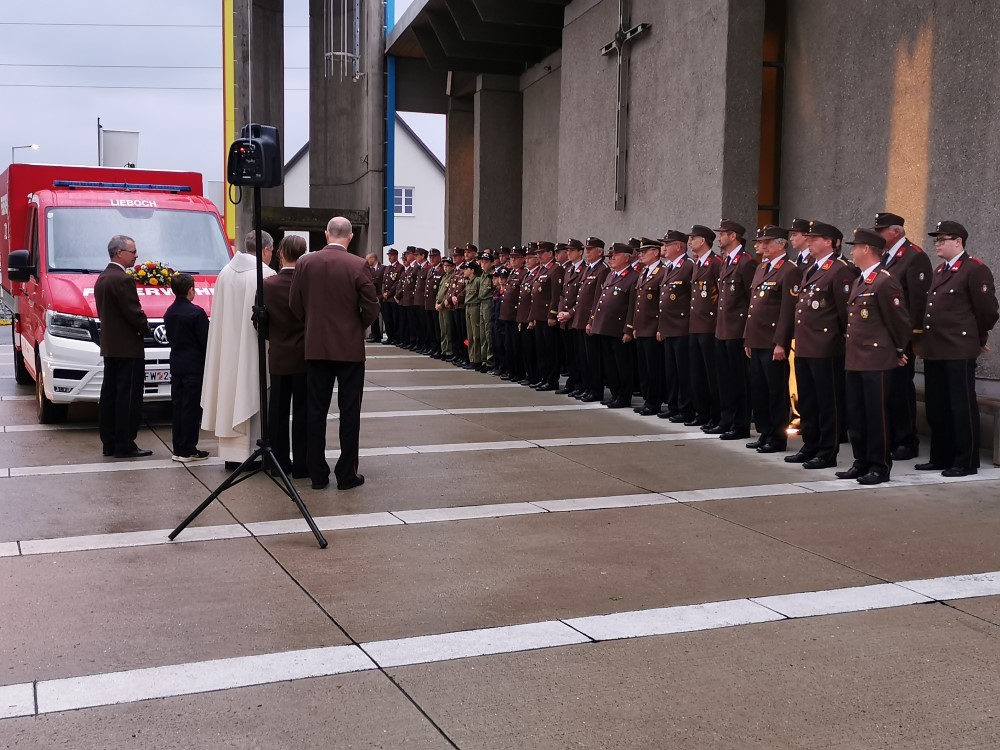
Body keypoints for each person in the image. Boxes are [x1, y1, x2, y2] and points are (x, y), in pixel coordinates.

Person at [289, 216, 380, 490]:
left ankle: (317, 473)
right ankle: (346, 474)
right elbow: (372, 306)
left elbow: (295, 303)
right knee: (349, 411)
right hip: (349, 350)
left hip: (316, 346)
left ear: (326, 233)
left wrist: (312, 324)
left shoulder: (306, 263)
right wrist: (356, 326)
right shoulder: (358, 264)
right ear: (350, 237)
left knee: (315, 410)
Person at [918, 220, 999, 477]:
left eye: (942, 239)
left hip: (958, 349)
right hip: (934, 349)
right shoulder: (940, 270)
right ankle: (941, 456)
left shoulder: (974, 269)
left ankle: (966, 461)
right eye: (936, 240)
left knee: (960, 406)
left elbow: (988, 311)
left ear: (958, 241)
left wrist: (978, 337)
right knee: (937, 406)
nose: (937, 244)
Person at [836, 228, 911, 485]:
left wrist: (898, 350)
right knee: (856, 414)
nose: (852, 251)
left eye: (855, 247)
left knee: (876, 415)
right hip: (856, 357)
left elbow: (899, 322)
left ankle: (879, 466)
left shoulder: (884, 281)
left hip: (876, 359)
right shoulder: (861, 280)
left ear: (866, 249)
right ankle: (861, 462)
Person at [201, 230, 276, 470]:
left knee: (230, 392)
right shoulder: (266, 275)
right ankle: (254, 453)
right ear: (266, 250)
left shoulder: (225, 272)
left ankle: (232, 455)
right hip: (253, 346)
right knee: (252, 391)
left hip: (228, 347)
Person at [785, 221, 855, 470]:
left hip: (826, 347)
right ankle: (810, 444)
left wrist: (841, 342)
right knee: (808, 400)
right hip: (805, 345)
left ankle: (827, 451)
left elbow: (845, 313)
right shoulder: (811, 269)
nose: (809, 242)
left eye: (814, 238)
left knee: (828, 403)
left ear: (829, 242)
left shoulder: (839, 270)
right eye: (809, 238)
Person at [872, 212, 932, 460]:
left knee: (900, 389)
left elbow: (917, 302)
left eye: (881, 230)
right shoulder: (884, 256)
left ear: (896, 231)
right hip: (883, 336)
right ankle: (891, 437)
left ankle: (906, 441)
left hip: (902, 337)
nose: (878, 235)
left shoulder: (914, 256)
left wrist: (912, 337)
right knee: (886, 389)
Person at [744, 226, 801, 454]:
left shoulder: (789, 270)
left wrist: (780, 342)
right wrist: (748, 338)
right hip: (756, 339)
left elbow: (787, 311)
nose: (763, 246)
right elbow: (752, 307)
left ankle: (777, 437)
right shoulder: (761, 268)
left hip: (772, 342)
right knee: (759, 389)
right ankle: (765, 432)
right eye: (761, 242)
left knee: (775, 391)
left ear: (781, 244)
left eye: (767, 242)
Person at [95, 234, 152, 458]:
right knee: (127, 398)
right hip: (128, 348)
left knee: (110, 395)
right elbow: (133, 312)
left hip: (111, 346)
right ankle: (125, 444)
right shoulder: (122, 279)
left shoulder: (103, 277)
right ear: (119, 253)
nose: (136, 256)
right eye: (133, 251)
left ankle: (109, 442)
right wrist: (147, 329)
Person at [263, 235, 309, 479]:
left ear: (280, 254)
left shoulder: (268, 285)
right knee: (304, 412)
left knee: (278, 412)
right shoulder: (309, 284)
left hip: (279, 354)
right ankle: (302, 464)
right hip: (304, 355)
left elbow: (260, 324)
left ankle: (278, 463)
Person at [713, 219, 757, 440]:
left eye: (722, 234)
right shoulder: (726, 261)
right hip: (723, 329)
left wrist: (748, 333)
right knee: (725, 379)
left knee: (739, 381)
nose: (719, 238)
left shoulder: (746, 262)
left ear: (733, 236)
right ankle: (726, 420)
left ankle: (740, 425)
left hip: (737, 330)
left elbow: (751, 301)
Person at [163, 272, 209, 462]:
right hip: (194, 366)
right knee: (191, 408)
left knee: (178, 406)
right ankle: (189, 448)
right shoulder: (196, 313)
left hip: (177, 364)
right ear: (191, 290)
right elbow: (205, 341)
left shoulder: (169, 312)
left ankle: (178, 447)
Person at [589, 243, 638, 408]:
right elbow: (601, 299)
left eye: (616, 255)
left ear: (626, 258)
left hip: (619, 328)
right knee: (610, 364)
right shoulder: (611, 275)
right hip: (605, 326)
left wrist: (628, 329)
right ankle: (615, 393)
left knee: (622, 365)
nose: (612, 258)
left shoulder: (633, 276)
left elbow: (632, 306)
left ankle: (624, 396)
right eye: (611, 256)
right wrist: (594, 321)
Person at [656, 230, 694, 422]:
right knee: (671, 371)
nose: (663, 248)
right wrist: (661, 327)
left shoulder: (688, 266)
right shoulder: (669, 267)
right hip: (669, 327)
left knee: (683, 371)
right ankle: (673, 406)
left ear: (678, 246)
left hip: (682, 327)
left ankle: (685, 409)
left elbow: (692, 298)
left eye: (666, 244)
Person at [687, 225, 721, 428]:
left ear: (703, 241)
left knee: (711, 375)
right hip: (695, 325)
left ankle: (715, 415)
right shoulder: (698, 263)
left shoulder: (715, 263)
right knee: (697, 373)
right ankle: (702, 412)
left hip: (709, 326)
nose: (690, 242)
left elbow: (721, 296)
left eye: (693, 238)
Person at [628, 239, 666, 415]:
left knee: (653, 368)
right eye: (640, 251)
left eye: (645, 251)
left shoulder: (662, 272)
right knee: (643, 368)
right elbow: (638, 303)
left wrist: (660, 327)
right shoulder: (644, 271)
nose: (641, 254)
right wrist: (635, 325)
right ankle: (647, 399)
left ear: (656, 252)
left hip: (653, 327)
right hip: (642, 327)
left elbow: (662, 304)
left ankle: (654, 402)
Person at [365, 253, 386, 343]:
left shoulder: (383, 268)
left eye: (368, 259)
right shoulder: (369, 270)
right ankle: (375, 335)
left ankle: (391, 336)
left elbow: (384, 282)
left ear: (373, 259)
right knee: (374, 317)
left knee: (386, 317)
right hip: (373, 297)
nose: (367, 262)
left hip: (381, 296)